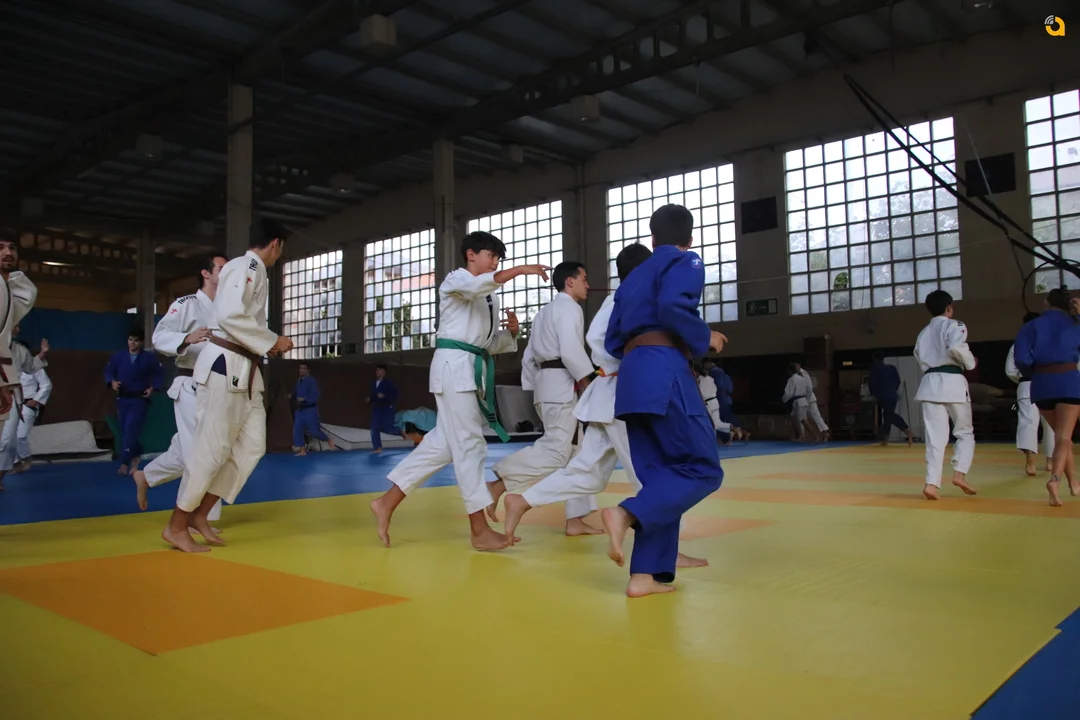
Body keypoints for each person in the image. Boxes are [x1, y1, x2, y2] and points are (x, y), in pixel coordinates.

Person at [502, 243, 709, 568]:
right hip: (626, 396)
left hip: (609, 398)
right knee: (653, 472)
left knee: (588, 473)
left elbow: (599, 339)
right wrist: (634, 359)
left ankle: (522, 500)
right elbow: (599, 340)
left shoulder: (626, 298)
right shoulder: (630, 298)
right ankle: (663, 553)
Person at [369, 231, 548, 551]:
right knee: (470, 445)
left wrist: (510, 335)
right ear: (471, 255)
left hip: (469, 369)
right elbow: (477, 289)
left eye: (498, 259)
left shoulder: (490, 296)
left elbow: (484, 344)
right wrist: (521, 270)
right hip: (454, 368)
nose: (495, 263)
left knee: (442, 445)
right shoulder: (456, 280)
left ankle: (387, 502)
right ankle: (478, 530)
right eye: (490, 256)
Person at [599, 204, 727, 598]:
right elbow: (673, 307)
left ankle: (645, 575)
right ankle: (625, 513)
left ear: (652, 238)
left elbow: (612, 340)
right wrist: (704, 337)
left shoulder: (633, 279)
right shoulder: (685, 260)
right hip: (663, 371)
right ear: (689, 238)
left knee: (662, 478)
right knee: (703, 469)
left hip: (632, 377)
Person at [162, 218, 293, 553]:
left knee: (252, 446)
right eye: (281, 248)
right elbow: (229, 316)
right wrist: (272, 340)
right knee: (211, 449)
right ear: (275, 243)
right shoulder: (243, 266)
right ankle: (176, 525)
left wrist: (264, 344)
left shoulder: (254, 271)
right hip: (225, 366)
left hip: (246, 369)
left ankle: (200, 514)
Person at [487, 261, 600, 536]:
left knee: (578, 453)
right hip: (561, 386)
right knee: (557, 451)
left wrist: (535, 387)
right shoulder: (569, 308)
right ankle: (499, 482)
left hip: (548, 385)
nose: (587, 285)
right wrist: (588, 384)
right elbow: (571, 351)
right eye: (584, 279)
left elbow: (529, 356)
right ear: (570, 281)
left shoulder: (544, 312)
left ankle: (576, 519)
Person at [132, 255, 226, 527]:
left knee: (188, 450)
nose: (227, 273)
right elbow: (159, 336)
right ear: (206, 273)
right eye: (221, 268)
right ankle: (198, 517)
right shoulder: (187, 304)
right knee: (202, 452)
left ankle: (146, 476)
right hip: (191, 385)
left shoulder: (228, 308)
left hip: (219, 387)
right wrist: (186, 338)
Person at [1012, 288, 1080, 506]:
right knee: (1064, 437)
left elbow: (1021, 360)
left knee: (1062, 437)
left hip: (1041, 383)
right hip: (1069, 381)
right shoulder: (1074, 324)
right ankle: (1055, 480)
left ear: (1046, 302)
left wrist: (1037, 372)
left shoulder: (1030, 327)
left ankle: (1074, 483)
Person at [913, 289, 977, 500]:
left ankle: (931, 484)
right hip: (952, 383)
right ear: (949, 307)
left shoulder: (923, 333)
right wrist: (970, 363)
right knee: (964, 431)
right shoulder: (954, 325)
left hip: (930, 384)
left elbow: (918, 356)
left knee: (935, 438)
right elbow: (956, 347)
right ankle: (959, 473)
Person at [0, 233, 38, 491]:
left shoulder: (6, 289)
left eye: (12, 248)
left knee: (5, 439)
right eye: (0, 248)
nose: (8, 252)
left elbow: (28, 294)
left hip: (5, 378)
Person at [104, 327, 164, 475]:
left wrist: (152, 388)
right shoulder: (118, 356)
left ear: (141, 342)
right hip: (123, 398)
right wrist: (112, 381)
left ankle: (124, 463)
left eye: (136, 340)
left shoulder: (149, 358)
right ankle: (136, 453)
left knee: (131, 429)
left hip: (139, 399)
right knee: (125, 429)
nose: (132, 343)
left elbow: (159, 373)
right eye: (130, 339)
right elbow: (109, 371)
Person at [1006, 312, 1055, 476]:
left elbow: (1010, 371)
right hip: (1049, 384)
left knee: (1028, 421)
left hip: (1027, 384)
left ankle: (1030, 461)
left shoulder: (1018, 344)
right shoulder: (1051, 342)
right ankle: (1050, 461)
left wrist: (1023, 377)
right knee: (1051, 424)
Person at [0, 331, 47, 490]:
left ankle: (0, 476)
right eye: (15, 325)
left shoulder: (19, 349)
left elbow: (31, 367)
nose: (18, 329)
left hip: (11, 398)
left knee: (8, 440)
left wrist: (42, 354)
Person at [868, 354, 913, 446]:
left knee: (889, 415)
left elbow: (872, 384)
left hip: (883, 395)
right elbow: (898, 381)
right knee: (887, 415)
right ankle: (886, 438)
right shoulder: (891, 368)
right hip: (893, 395)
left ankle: (907, 431)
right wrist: (893, 390)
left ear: (874, 359)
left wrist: (873, 395)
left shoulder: (874, 369)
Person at [291, 362, 335, 456]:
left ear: (308, 370)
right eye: (300, 368)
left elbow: (315, 395)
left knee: (314, 431)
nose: (301, 370)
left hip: (310, 410)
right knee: (297, 429)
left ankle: (328, 439)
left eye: (304, 368)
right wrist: (292, 395)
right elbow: (297, 393)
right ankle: (302, 450)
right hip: (300, 410)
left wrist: (305, 399)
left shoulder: (312, 381)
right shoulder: (299, 381)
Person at [366, 364, 405, 454]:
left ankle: (399, 431)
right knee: (374, 428)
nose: (377, 372)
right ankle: (377, 448)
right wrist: (370, 399)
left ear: (383, 372)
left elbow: (395, 394)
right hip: (377, 408)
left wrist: (385, 396)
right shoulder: (374, 383)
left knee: (388, 428)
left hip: (387, 408)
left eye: (379, 370)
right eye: (376, 370)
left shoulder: (389, 382)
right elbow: (373, 395)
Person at [705, 359, 746, 442]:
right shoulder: (725, 374)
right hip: (726, 398)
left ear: (709, 363)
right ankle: (736, 431)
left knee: (721, 417)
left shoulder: (713, 372)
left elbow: (714, 386)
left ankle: (731, 432)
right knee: (726, 416)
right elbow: (730, 388)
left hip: (719, 396)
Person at [693, 362, 731, 443]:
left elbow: (702, 394)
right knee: (715, 423)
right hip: (714, 401)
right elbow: (715, 389)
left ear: (696, 372)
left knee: (709, 423)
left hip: (708, 403)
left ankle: (730, 429)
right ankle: (729, 428)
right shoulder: (710, 378)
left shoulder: (701, 381)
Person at [795, 361, 829, 441]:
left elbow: (810, 386)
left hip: (809, 398)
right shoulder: (795, 375)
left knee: (816, 416)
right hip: (801, 399)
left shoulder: (804, 373)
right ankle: (802, 435)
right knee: (801, 417)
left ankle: (825, 433)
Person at [782, 363, 813, 442]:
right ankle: (801, 435)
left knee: (803, 420)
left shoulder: (792, 379)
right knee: (793, 417)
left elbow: (789, 392)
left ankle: (815, 436)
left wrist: (784, 399)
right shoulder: (802, 379)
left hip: (799, 401)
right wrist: (807, 398)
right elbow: (809, 389)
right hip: (801, 400)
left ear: (789, 371)